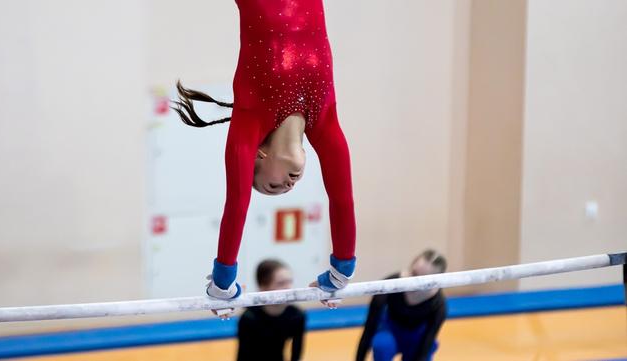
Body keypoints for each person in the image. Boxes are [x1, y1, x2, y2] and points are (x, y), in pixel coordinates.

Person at [172, 0, 357, 304]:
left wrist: (223, 282)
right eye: (288, 187)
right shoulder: (325, 123)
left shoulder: (251, 121)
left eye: (272, 185)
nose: (289, 185)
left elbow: (236, 205)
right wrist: (341, 271)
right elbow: (342, 199)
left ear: (260, 156)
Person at [356, 250, 448, 361]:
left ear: (436, 283)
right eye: (414, 274)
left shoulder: (438, 305)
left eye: (424, 280)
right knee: (382, 345)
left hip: (417, 338)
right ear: (410, 268)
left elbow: (426, 344)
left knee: (427, 350)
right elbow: (368, 330)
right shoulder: (389, 286)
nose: (415, 283)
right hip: (389, 331)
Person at [237, 259, 306, 361]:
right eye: (281, 283)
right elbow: (242, 356)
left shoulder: (296, 316)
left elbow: (296, 353)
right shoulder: (249, 318)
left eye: (289, 281)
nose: (289, 288)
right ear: (263, 287)